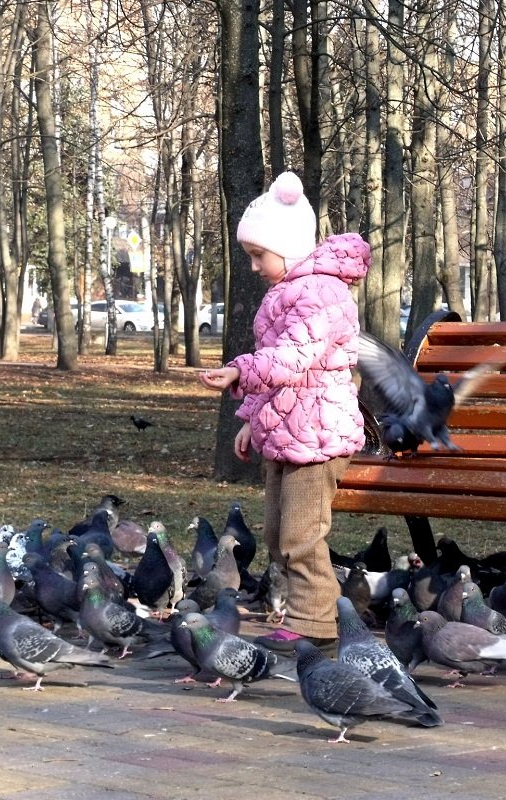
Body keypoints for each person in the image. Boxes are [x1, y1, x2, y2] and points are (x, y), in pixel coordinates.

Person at [198, 171, 370, 656]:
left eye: (258, 255)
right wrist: (252, 416)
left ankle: (315, 623)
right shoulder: (290, 292)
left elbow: (294, 359)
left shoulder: (321, 294)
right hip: (290, 430)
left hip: (318, 437)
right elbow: (281, 371)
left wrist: (238, 372)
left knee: (300, 533)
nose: (253, 266)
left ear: (289, 248)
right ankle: (320, 615)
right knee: (276, 533)